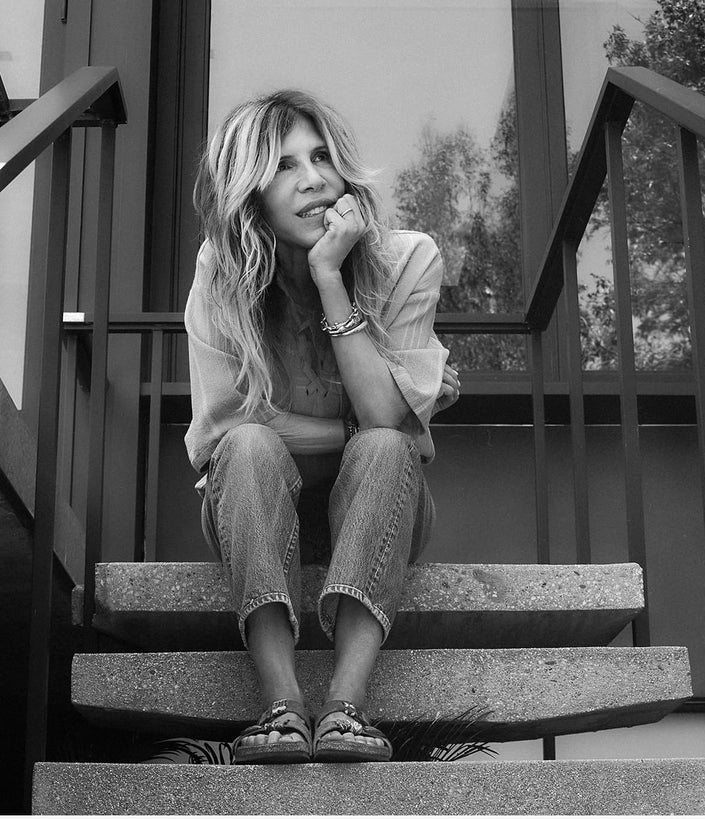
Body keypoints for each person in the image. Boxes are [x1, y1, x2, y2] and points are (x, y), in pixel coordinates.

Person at [185, 89, 459, 764]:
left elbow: (385, 425)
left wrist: (330, 276)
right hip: (252, 504)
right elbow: (224, 431)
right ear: (249, 192)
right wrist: (384, 416)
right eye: (283, 166)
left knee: (385, 448)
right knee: (250, 446)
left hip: (382, 505)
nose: (312, 179)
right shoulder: (222, 270)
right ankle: (281, 703)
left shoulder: (408, 259)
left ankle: (344, 706)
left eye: (321, 157)